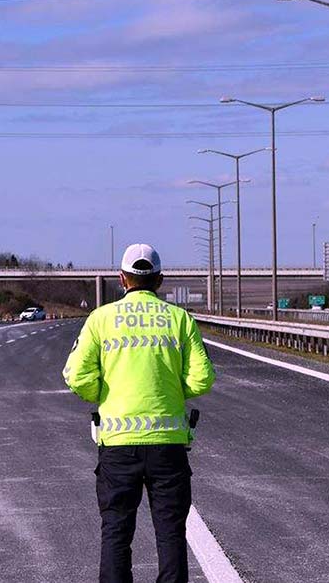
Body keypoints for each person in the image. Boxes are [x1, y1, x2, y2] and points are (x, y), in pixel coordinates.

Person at [63, 243, 215, 583]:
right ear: (160, 280)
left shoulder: (101, 320)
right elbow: (203, 378)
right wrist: (170, 391)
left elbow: (76, 376)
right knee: (171, 532)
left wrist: (105, 395)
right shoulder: (179, 320)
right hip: (168, 446)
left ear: (121, 279)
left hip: (118, 446)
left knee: (116, 532)